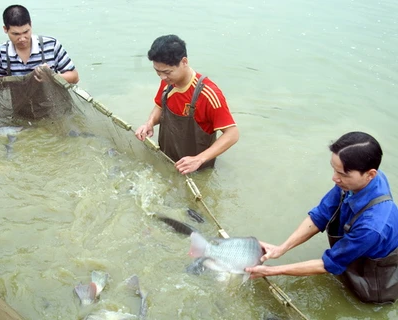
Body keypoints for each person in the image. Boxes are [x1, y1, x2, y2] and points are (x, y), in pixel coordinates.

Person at [246, 131, 398, 304]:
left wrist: (270, 271)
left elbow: (330, 264)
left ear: (370, 174)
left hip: (373, 281)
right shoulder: (357, 182)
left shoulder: (372, 226)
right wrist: (282, 248)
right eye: (334, 169)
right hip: (355, 251)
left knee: (363, 299)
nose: (335, 178)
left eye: (343, 174)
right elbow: (321, 215)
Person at [134, 35, 239, 174]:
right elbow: (160, 106)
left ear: (184, 62)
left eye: (167, 72)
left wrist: (199, 159)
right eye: (157, 72)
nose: (162, 77)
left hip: (196, 169)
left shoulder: (209, 94)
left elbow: (232, 134)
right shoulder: (168, 83)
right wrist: (150, 123)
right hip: (167, 159)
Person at [0, 4, 78, 85]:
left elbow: (74, 77)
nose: (22, 38)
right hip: (20, 106)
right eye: (16, 34)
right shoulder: (2, 51)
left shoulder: (51, 45)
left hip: (52, 104)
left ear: (31, 25)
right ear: (5, 29)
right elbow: (0, 82)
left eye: (26, 32)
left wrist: (51, 77)